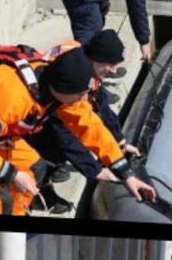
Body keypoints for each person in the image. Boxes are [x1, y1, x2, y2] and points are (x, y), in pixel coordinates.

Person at [0, 46, 156, 216]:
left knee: (35, 168)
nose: (85, 99)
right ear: (63, 89)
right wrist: (12, 174)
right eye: (80, 95)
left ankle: (18, 219)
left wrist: (127, 175)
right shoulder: (11, 96)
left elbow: (91, 128)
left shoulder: (60, 90)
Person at [27, 30, 142, 189]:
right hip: (35, 119)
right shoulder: (71, 78)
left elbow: (101, 105)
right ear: (97, 59)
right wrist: (94, 170)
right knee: (53, 144)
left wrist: (120, 141)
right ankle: (43, 182)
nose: (115, 71)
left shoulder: (86, 64)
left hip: (48, 108)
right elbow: (66, 134)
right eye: (112, 64)